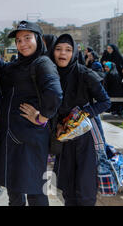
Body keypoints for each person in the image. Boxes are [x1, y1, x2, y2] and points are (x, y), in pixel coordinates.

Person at [0, 20, 63, 206]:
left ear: (39, 39)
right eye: (18, 40)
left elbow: (55, 94)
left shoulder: (42, 63)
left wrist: (41, 117)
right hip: (13, 138)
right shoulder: (18, 65)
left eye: (27, 38)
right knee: (14, 190)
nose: (22, 43)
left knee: (35, 192)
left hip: (31, 139)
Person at [43, 34, 111, 206]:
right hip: (64, 138)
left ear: (74, 53)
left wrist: (82, 115)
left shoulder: (84, 74)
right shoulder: (51, 76)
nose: (62, 54)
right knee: (68, 186)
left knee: (85, 186)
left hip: (86, 136)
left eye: (68, 50)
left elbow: (105, 102)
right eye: (58, 49)